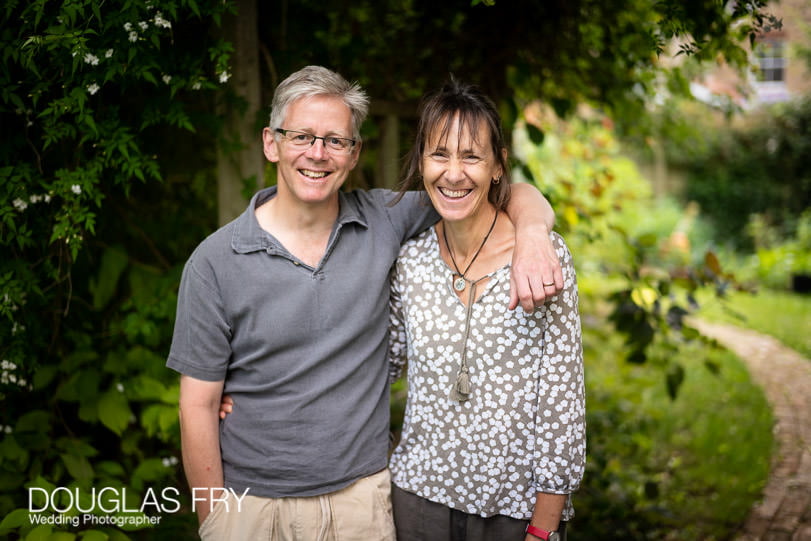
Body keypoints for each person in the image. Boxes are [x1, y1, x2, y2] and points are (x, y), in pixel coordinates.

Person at [168, 65, 562, 541]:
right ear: (271, 142)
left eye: (336, 140)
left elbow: (488, 190)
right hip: (253, 504)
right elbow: (197, 406)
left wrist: (535, 233)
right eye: (301, 137)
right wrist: (216, 519)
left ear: (355, 154)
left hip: (362, 502)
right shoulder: (215, 262)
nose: (318, 153)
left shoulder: (384, 219)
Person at [386, 80, 586, 541]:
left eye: (471, 157)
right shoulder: (411, 260)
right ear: (421, 163)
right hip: (417, 500)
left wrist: (543, 528)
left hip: (512, 510)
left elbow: (562, 407)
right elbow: (376, 366)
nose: (453, 174)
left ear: (498, 166)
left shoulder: (540, 257)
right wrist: (259, 392)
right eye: (439, 154)